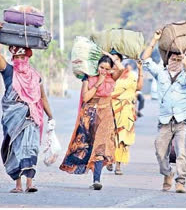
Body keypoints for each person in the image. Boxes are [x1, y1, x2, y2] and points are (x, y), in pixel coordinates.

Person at [141, 29, 186, 193]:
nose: (175, 61)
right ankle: (167, 174)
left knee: (182, 153)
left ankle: (181, 182)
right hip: (165, 120)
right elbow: (145, 60)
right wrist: (154, 40)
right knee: (160, 151)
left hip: (183, 120)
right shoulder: (161, 73)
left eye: (179, 59)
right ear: (168, 59)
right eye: (173, 58)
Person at [59, 52, 124, 190]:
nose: (104, 71)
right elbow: (86, 97)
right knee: (86, 146)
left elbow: (121, 68)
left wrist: (110, 56)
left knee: (100, 146)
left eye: (107, 69)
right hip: (89, 115)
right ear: (97, 67)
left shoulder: (112, 78)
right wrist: (98, 83)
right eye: (102, 67)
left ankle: (97, 180)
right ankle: (87, 169)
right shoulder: (89, 79)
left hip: (105, 115)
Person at [0, 46, 54, 193]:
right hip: (12, 119)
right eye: (16, 58)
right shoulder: (9, 72)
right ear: (12, 59)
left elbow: (42, 97)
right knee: (14, 148)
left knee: (30, 147)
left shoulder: (36, 76)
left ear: (28, 58)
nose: (19, 61)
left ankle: (30, 183)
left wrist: (50, 115)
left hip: (32, 116)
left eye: (22, 57)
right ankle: (18, 185)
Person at [112, 59, 143, 175]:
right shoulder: (109, 74)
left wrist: (140, 69)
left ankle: (118, 164)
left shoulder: (131, 76)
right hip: (110, 109)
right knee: (110, 137)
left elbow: (139, 87)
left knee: (122, 138)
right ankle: (109, 159)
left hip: (126, 110)